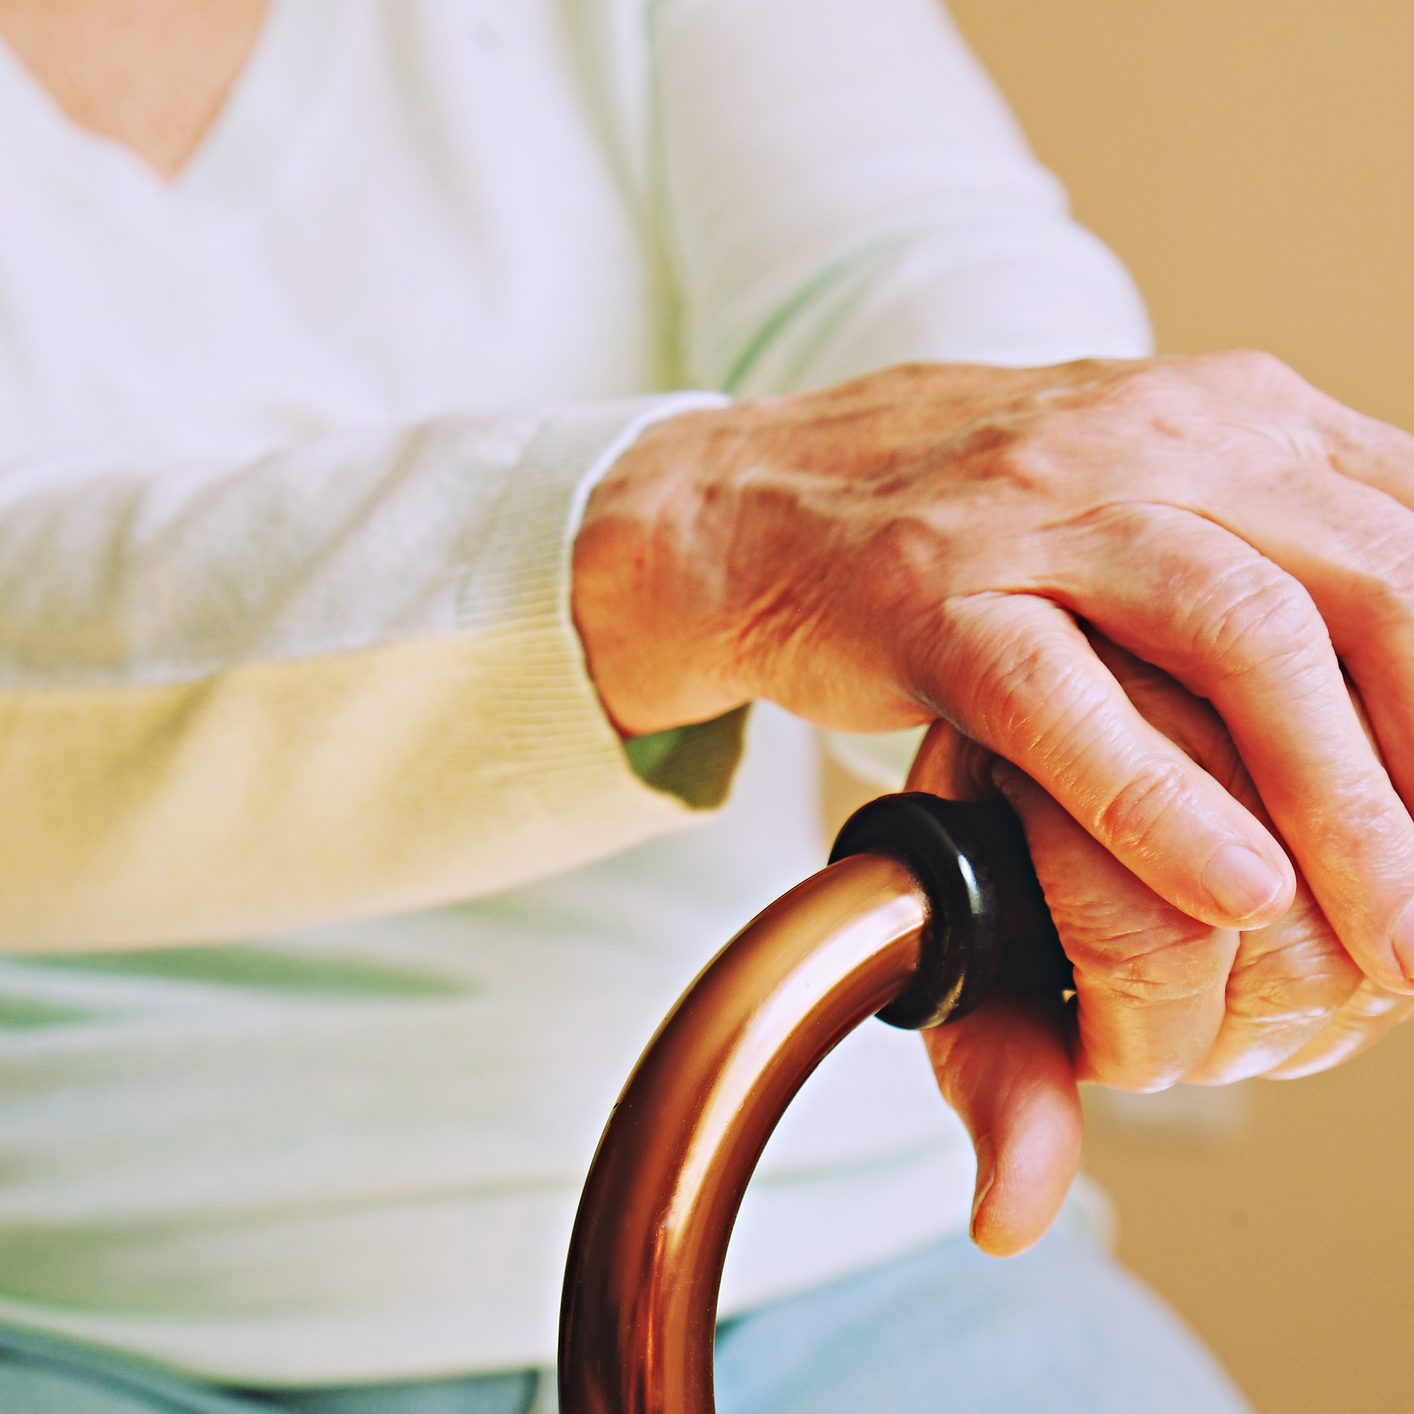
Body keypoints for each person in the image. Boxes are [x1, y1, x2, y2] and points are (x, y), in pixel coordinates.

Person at [0, 1, 1411, 1410]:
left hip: (828, 1239)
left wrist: (1125, 676)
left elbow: (945, 310)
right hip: (86, 1307)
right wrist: (697, 543)